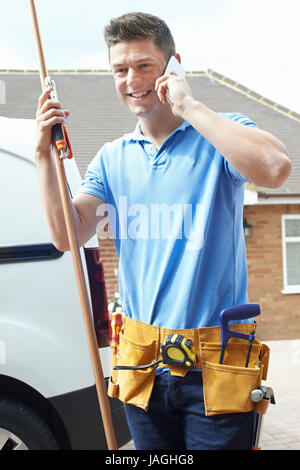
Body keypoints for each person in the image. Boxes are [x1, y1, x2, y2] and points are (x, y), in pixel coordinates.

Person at [35, 12, 291, 450]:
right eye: (120, 69)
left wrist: (188, 105)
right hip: (143, 366)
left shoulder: (218, 135)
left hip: (216, 366)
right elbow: (68, 235)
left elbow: (275, 169)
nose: (131, 79)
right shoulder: (113, 159)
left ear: (173, 65)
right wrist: (44, 155)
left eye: (144, 66)